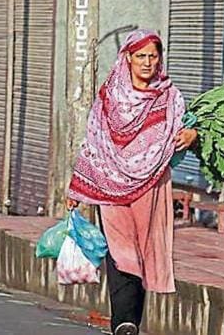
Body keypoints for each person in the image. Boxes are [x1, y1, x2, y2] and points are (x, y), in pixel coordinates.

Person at [65, 29, 197, 335]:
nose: (148, 63)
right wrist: (78, 189)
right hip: (110, 185)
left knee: (142, 251)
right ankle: (123, 321)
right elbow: (94, 142)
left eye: (153, 56)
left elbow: (185, 131)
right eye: (141, 56)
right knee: (120, 249)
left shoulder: (170, 96)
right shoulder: (109, 96)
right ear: (128, 58)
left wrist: (193, 135)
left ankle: (131, 322)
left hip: (151, 185)